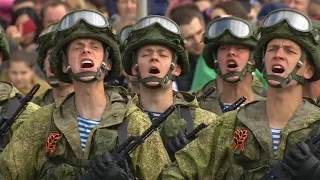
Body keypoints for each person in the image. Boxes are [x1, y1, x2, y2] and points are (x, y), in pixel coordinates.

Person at [0, 9, 170, 180]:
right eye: (77, 47)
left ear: (108, 63)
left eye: (94, 47)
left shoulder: (135, 123)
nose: (86, 51)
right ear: (65, 64)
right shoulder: (42, 122)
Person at [160, 9, 320, 179]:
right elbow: (176, 172)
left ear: (308, 71)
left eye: (290, 51)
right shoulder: (233, 124)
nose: (278, 55)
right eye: (272, 49)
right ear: (263, 62)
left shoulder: (316, 126)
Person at [122, 15, 217, 161]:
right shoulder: (118, 121)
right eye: (146, 54)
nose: (154, 58)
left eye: (163, 54)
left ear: (176, 69)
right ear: (135, 69)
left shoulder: (204, 123)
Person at [193, 16, 266, 115]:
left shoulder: (269, 106)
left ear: (253, 59)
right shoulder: (193, 106)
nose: (231, 52)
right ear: (216, 58)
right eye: (224, 48)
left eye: (239, 48)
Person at [32, 23, 74, 106]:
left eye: (61, 54)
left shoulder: (97, 105)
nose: (53, 59)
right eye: (50, 53)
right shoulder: (32, 108)